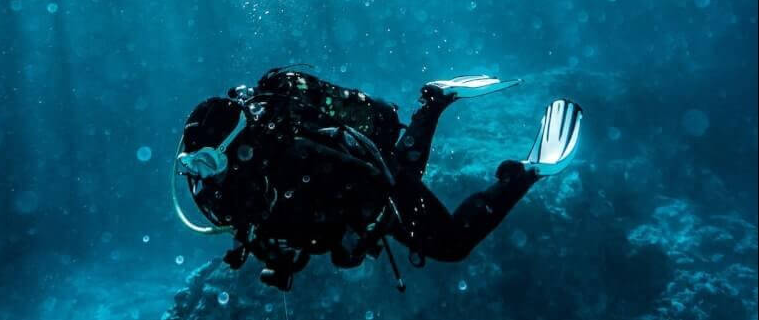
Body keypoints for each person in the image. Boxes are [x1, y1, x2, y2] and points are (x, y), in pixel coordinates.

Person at [171, 65, 583, 291]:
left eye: (206, 161)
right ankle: (434, 101)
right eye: (192, 164)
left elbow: (374, 180)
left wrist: (360, 233)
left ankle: (526, 173)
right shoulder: (215, 188)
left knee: (449, 241)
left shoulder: (297, 154)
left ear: (240, 146)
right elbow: (260, 224)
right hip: (342, 196)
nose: (200, 177)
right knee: (403, 164)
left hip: (363, 180)